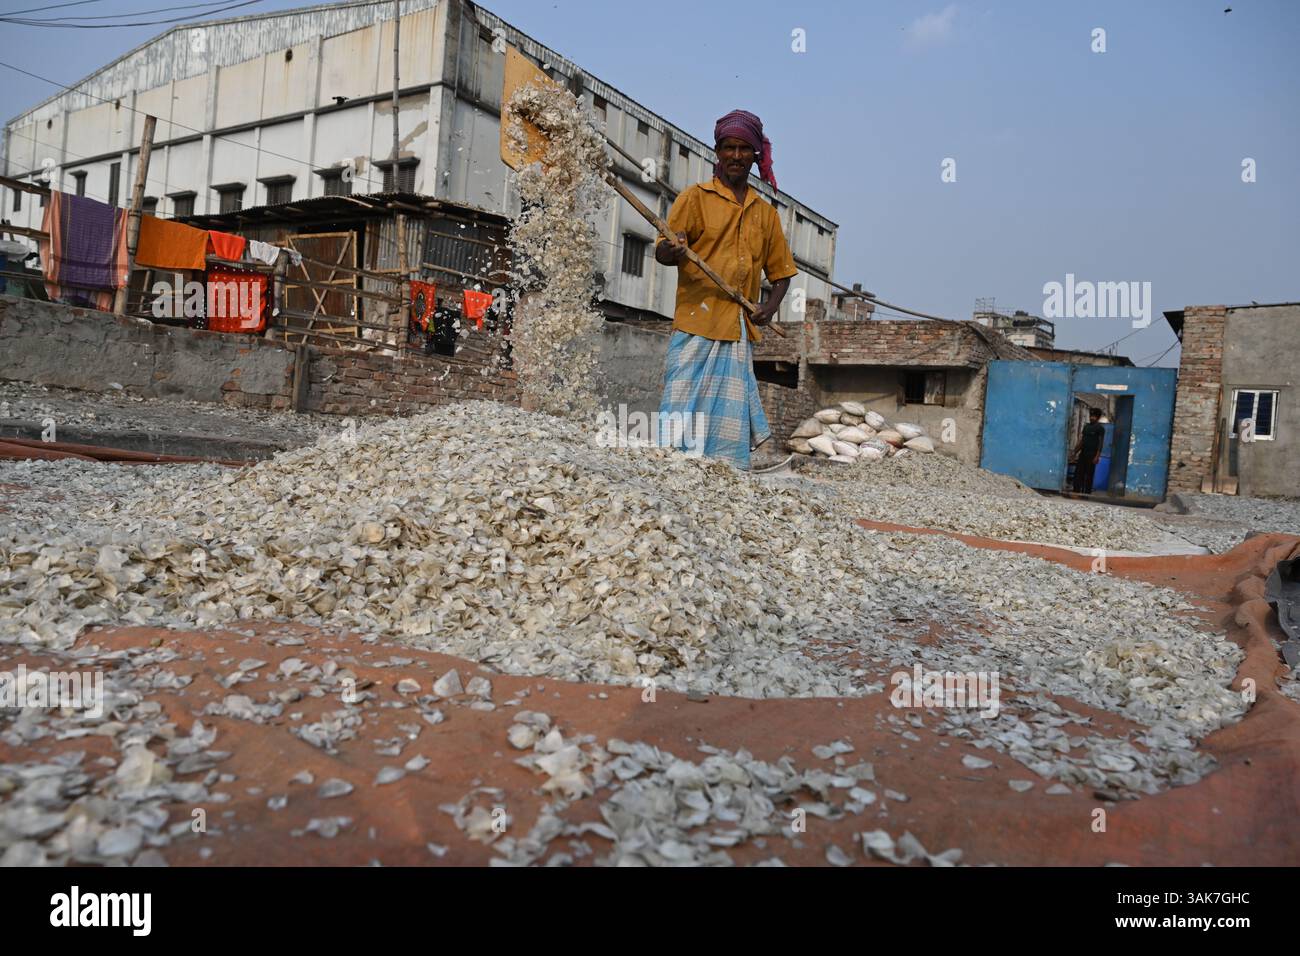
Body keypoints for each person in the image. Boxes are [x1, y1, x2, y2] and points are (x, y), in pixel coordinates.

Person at [654, 108, 798, 469]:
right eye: (728, 148)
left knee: (726, 420)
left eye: (743, 149)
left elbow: (782, 273)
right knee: (679, 408)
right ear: (717, 152)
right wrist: (671, 250)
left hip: (736, 330)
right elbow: (662, 251)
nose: (735, 156)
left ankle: (724, 476)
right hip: (695, 324)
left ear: (755, 156)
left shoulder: (765, 214)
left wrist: (770, 307)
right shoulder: (694, 198)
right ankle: (671, 470)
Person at [1071, 408, 1106, 494]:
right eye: (1091, 416)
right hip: (1083, 453)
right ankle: (1076, 492)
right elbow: (1082, 441)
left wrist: (1097, 456)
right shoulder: (1086, 427)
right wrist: (1075, 452)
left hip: (1092, 455)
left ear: (1097, 417)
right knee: (1078, 474)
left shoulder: (1100, 428)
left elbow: (1101, 443)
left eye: (1093, 416)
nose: (1091, 418)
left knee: (1089, 475)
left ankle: (1086, 493)